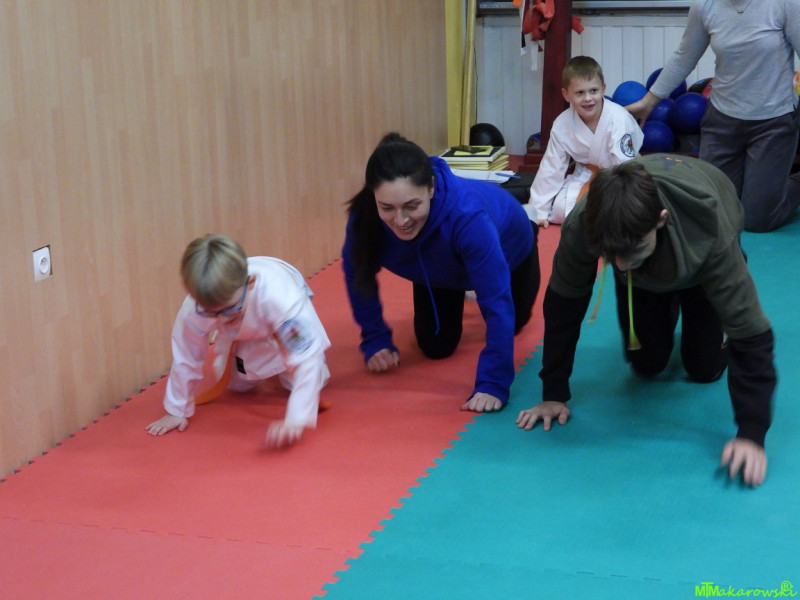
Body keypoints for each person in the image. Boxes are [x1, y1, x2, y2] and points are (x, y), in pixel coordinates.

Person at [516, 155, 776, 487]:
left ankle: (691, 293)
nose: (621, 265)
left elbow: (751, 333)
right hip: (645, 271)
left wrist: (752, 433)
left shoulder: (709, 226)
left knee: (704, 369)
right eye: (613, 255)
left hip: (702, 259)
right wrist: (554, 393)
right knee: (646, 365)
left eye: (633, 250)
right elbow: (563, 307)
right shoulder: (585, 224)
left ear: (660, 219)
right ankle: (664, 292)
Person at [342, 133, 541, 412]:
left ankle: (529, 222)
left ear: (431, 187)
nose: (400, 220)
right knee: (435, 346)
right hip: (437, 263)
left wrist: (492, 383)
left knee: (515, 322)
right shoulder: (365, 218)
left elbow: (496, 301)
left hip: (510, 244)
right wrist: (375, 339)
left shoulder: (468, 217)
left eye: (412, 205)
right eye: (387, 207)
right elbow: (357, 274)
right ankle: (464, 280)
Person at [626, 0, 800, 233]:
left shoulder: (785, 3)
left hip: (774, 123)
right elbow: (684, 57)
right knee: (714, 210)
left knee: (756, 221)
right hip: (722, 122)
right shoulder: (705, 6)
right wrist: (648, 102)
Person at [145, 234, 331, 448]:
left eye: (229, 309)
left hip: (278, 309)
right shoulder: (195, 308)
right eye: (212, 313)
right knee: (239, 385)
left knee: (305, 380)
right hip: (243, 325)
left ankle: (280, 358)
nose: (223, 319)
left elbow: (306, 358)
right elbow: (186, 355)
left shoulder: (281, 297)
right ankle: (254, 347)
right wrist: (177, 409)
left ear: (250, 283)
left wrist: (296, 419)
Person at [525, 56, 643, 228]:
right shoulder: (562, 124)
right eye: (580, 93)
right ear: (566, 95)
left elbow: (626, 166)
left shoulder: (618, 119)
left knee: (620, 210)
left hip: (621, 176)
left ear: (603, 89)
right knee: (560, 209)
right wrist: (538, 211)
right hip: (587, 174)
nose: (588, 98)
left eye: (593, 91)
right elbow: (551, 168)